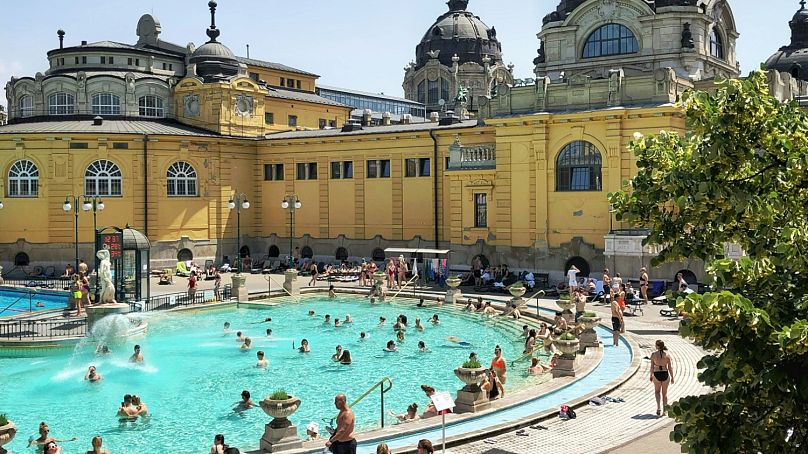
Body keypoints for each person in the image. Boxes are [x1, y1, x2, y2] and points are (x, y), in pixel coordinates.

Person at [651, 339, 674, 416]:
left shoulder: (653, 355)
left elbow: (651, 367)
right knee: (665, 394)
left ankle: (658, 408)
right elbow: (670, 368)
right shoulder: (667, 355)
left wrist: (651, 375)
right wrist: (672, 377)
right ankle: (665, 411)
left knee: (657, 392)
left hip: (656, 374)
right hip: (665, 374)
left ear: (657, 346)